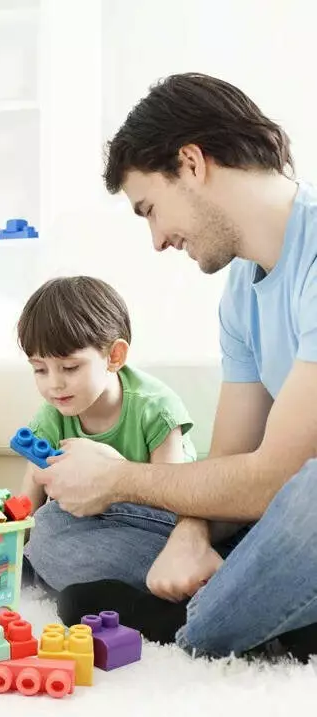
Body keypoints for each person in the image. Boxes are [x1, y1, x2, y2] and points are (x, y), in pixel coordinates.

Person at [27, 72, 317, 661]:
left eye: (150, 209)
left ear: (191, 163)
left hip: (303, 503)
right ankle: (265, 611)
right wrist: (190, 533)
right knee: (57, 531)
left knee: (310, 493)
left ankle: (201, 621)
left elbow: (277, 477)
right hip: (276, 517)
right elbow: (231, 462)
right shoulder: (241, 289)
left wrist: (120, 479)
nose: (158, 240)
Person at [16, 275, 195, 515]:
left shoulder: (156, 409)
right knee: (49, 518)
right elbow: (27, 511)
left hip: (153, 519)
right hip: (85, 518)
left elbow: (171, 501)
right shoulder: (51, 417)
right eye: (40, 369)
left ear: (114, 356)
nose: (54, 384)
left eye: (70, 367)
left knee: (53, 520)